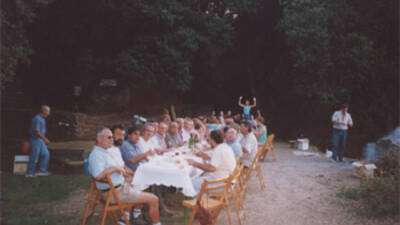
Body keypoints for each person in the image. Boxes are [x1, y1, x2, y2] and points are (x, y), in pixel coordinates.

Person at [88, 128, 162, 225]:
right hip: (114, 193)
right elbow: (98, 176)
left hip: (118, 188)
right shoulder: (96, 154)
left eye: (112, 137)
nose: (112, 139)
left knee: (139, 183)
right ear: (99, 139)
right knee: (154, 199)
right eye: (109, 137)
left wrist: (123, 171)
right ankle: (155, 223)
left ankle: (127, 217)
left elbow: (118, 169)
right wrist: (115, 168)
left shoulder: (104, 151)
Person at [26, 105, 51, 177]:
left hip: (40, 140)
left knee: (46, 154)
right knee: (34, 156)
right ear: (44, 111)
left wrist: (43, 139)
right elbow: (37, 132)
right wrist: (45, 139)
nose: (49, 113)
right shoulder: (37, 119)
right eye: (48, 111)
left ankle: (42, 171)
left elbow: (41, 132)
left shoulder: (43, 119)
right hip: (35, 140)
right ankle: (29, 173)